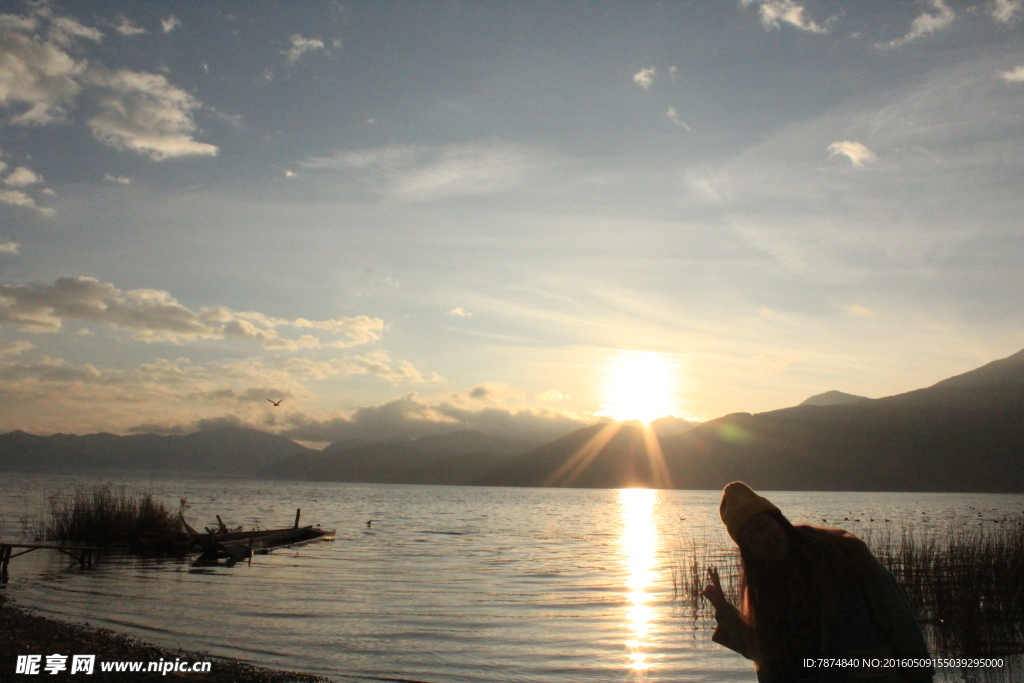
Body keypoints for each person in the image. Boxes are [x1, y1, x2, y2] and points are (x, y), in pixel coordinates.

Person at [701, 482, 934, 683]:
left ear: (777, 519)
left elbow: (899, 619)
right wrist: (724, 611)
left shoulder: (842, 553)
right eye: (750, 540)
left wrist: (921, 675)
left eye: (762, 527)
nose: (762, 540)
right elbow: (765, 653)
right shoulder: (765, 585)